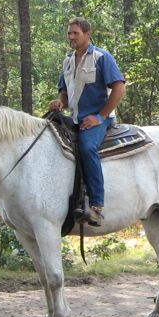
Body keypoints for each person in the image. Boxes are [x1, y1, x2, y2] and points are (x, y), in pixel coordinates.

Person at [48, 17, 126, 227]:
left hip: (98, 119)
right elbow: (65, 92)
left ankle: (97, 205)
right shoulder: (67, 61)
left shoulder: (102, 57)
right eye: (69, 33)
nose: (71, 37)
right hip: (76, 118)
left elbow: (119, 88)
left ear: (87, 34)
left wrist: (99, 117)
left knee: (87, 146)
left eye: (75, 33)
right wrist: (60, 102)